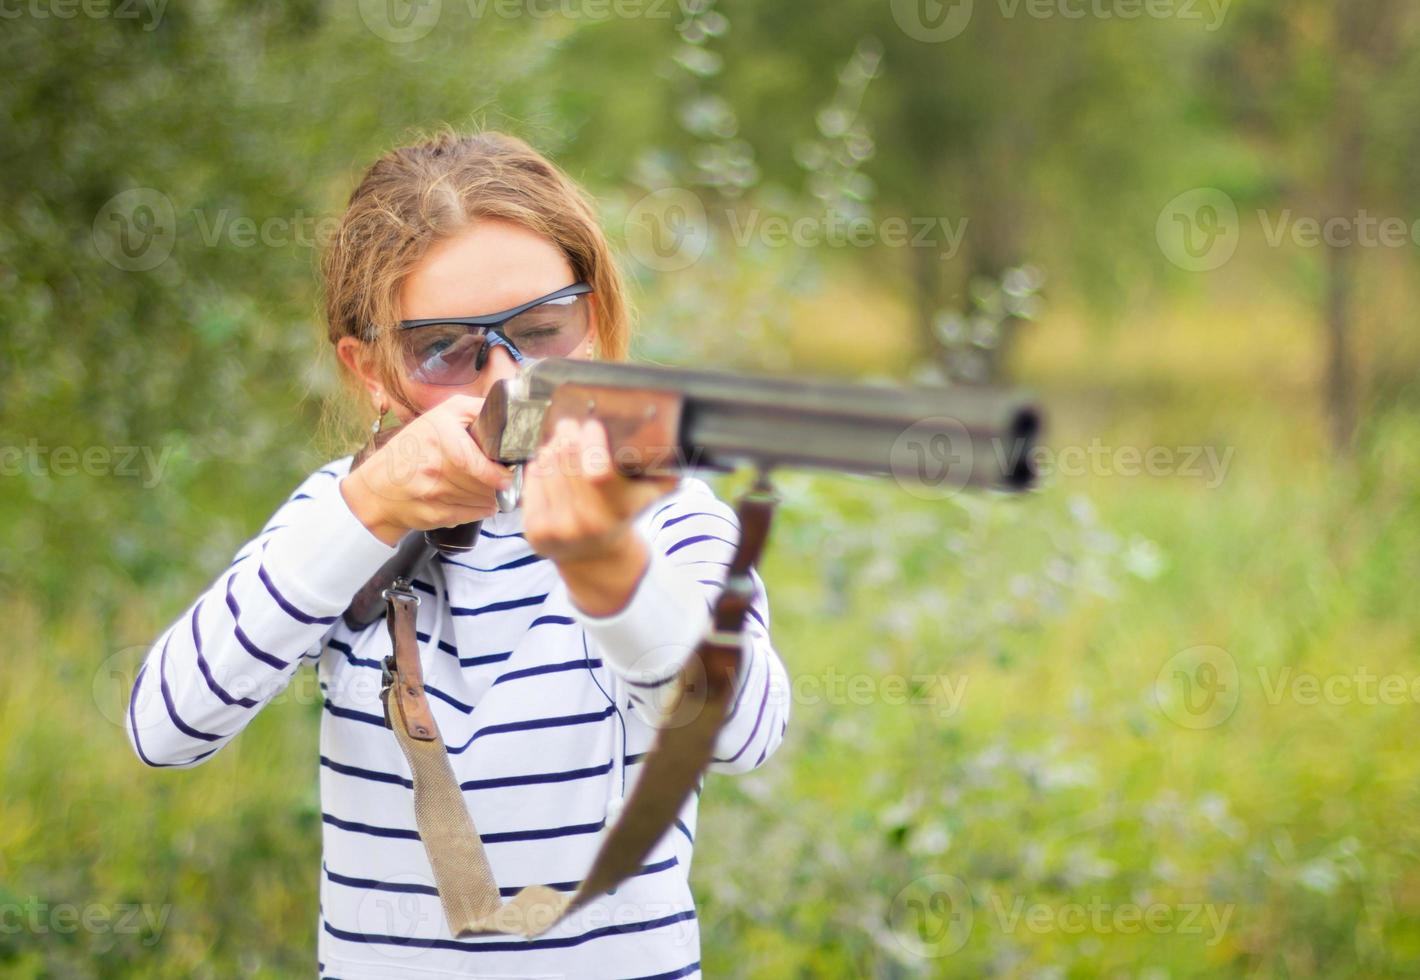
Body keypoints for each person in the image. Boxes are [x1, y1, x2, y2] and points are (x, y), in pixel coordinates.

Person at [126, 129, 790, 980]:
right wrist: (365, 511)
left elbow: (743, 734)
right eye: (444, 349)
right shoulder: (342, 515)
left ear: (595, 326)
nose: (505, 379)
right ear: (369, 369)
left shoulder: (666, 514)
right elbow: (165, 729)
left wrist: (607, 566)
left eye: (542, 330)